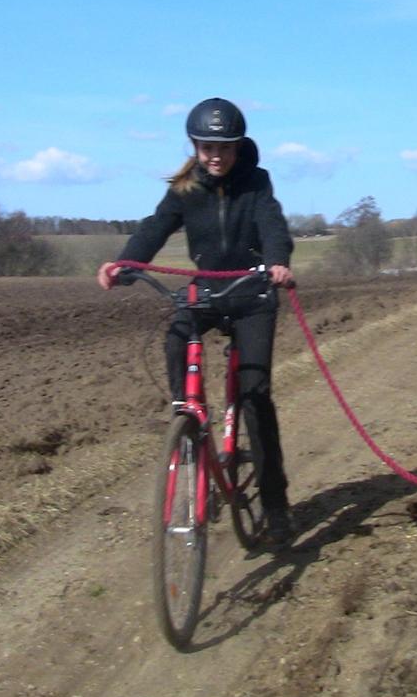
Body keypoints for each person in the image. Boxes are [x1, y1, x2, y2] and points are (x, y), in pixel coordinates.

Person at [97, 97, 296, 545]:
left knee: (255, 396)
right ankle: (187, 421)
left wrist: (277, 261)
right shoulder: (185, 188)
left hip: (253, 294)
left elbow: (272, 225)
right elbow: (156, 226)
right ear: (195, 146)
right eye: (207, 147)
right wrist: (124, 264)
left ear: (238, 147)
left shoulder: (256, 183)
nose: (216, 156)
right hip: (206, 291)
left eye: (224, 148)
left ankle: (276, 504)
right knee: (175, 336)